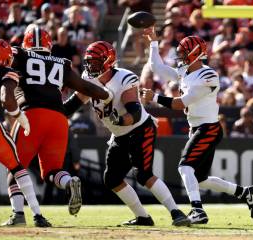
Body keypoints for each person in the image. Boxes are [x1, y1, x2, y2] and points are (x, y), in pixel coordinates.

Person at [63, 41, 190, 227]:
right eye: (89, 62)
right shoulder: (88, 78)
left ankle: (176, 212)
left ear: (108, 62)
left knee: (143, 174)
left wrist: (120, 120)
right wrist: (54, 111)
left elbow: (135, 111)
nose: (90, 66)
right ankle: (143, 217)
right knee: (112, 178)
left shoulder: (124, 78)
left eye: (96, 62)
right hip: (119, 134)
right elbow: (75, 102)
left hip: (140, 128)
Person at [141, 27, 253, 224]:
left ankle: (197, 210)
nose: (181, 58)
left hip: (208, 128)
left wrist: (155, 98)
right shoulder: (185, 72)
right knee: (200, 178)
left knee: (185, 167)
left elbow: (182, 103)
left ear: (196, 54)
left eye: (185, 54)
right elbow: (157, 68)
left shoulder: (208, 75)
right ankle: (245, 192)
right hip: (198, 128)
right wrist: (154, 42)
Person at [2, 26, 113, 226]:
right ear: (49, 45)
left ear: (26, 43)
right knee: (52, 171)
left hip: (30, 115)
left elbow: (0, 61)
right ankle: (69, 181)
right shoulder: (62, 63)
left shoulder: (20, 55)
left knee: (15, 168)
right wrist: (107, 95)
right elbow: (84, 88)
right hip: (59, 120)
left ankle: (18, 214)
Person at [0, 38, 50, 227]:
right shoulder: (6, 72)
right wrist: (20, 117)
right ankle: (37, 214)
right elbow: (7, 99)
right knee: (17, 168)